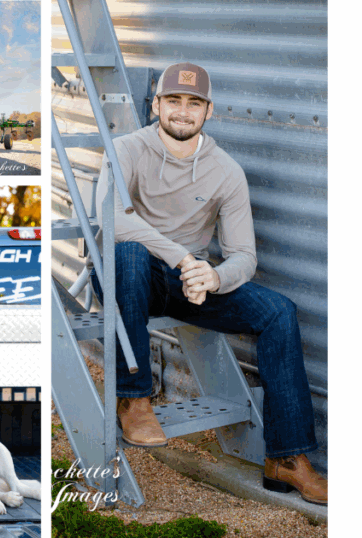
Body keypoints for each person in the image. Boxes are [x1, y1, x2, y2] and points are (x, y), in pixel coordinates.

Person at [92, 62, 326, 504]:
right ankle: (135, 399)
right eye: (174, 100)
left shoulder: (226, 171)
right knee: (130, 253)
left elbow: (244, 256)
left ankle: (287, 459)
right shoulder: (124, 149)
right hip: (124, 273)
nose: (183, 111)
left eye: (193, 103)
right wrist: (185, 258)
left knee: (279, 312)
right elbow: (116, 223)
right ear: (156, 104)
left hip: (186, 282)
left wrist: (213, 276)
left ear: (209, 110)